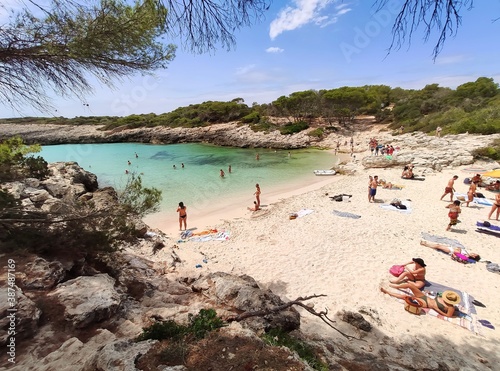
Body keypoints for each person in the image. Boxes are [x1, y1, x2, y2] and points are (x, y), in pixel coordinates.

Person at [380, 286, 460, 318]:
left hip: (426, 303)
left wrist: (437, 309)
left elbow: (448, 316)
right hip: (425, 297)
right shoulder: (442, 297)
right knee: (410, 285)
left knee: (406, 297)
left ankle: (388, 292)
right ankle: (394, 285)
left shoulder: (450, 308)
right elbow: (434, 296)